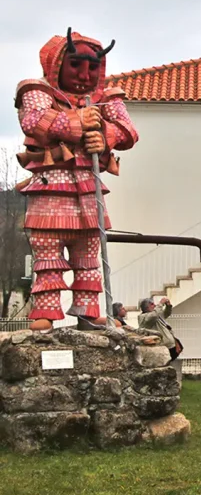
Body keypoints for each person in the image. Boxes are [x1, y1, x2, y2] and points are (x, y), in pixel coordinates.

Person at [14, 27, 138, 331]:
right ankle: (46, 311)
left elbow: (128, 130)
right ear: (56, 64)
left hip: (89, 191)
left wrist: (105, 136)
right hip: (49, 192)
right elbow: (34, 122)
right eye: (76, 65)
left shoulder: (105, 98)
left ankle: (88, 308)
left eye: (93, 67)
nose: (84, 75)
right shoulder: (36, 92)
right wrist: (75, 121)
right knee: (48, 256)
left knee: (88, 257)